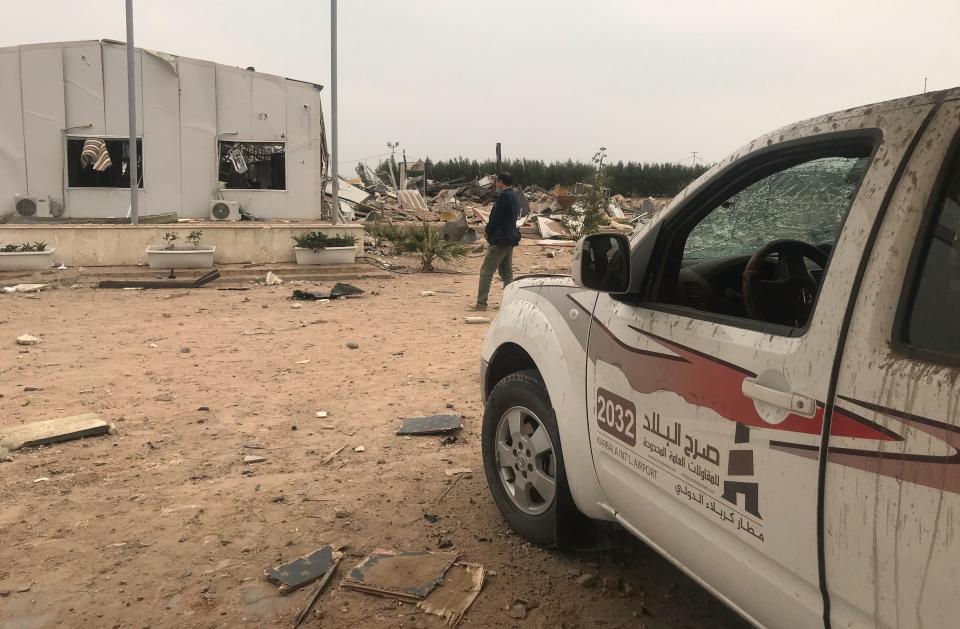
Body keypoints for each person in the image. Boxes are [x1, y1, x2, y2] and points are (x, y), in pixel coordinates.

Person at [472, 172, 521, 310]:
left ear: (501, 182)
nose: (496, 185)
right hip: (510, 238)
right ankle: (509, 303)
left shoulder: (504, 196)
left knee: (486, 270)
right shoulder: (514, 196)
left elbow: (496, 218)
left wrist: (488, 230)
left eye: (497, 182)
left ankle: (481, 303)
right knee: (506, 273)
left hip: (501, 239)